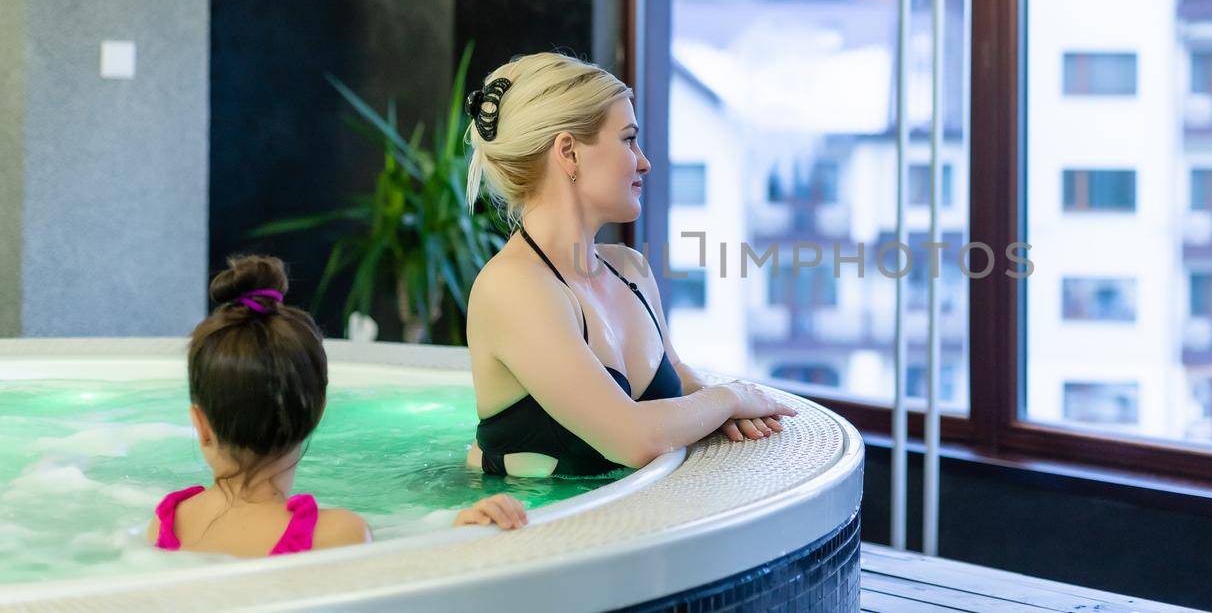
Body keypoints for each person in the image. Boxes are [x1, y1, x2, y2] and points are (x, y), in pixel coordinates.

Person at [461, 53, 797, 478]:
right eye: (627, 139)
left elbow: (677, 375)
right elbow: (633, 438)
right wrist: (729, 399)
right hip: (532, 533)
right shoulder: (513, 288)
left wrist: (717, 404)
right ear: (569, 153)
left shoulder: (630, 269)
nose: (644, 161)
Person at [148, 255, 527, 557]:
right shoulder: (333, 537)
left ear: (200, 424)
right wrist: (457, 544)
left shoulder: (167, 522)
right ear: (317, 410)